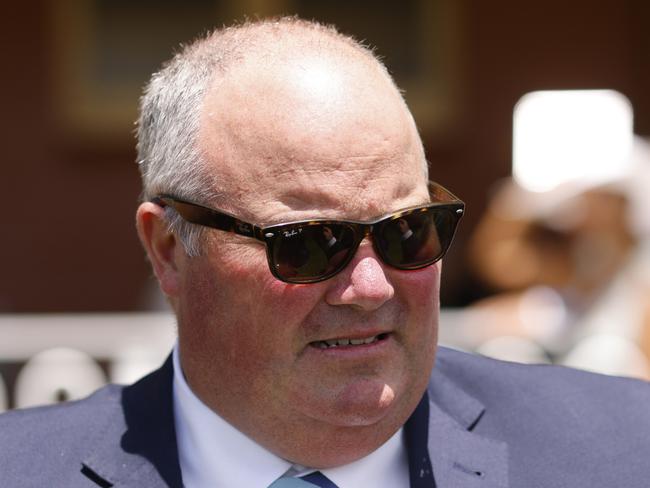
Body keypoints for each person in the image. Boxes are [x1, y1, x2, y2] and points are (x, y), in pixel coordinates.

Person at [1, 17, 650, 488]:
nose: (370, 286)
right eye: (310, 246)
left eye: (407, 233)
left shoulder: (621, 448)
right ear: (170, 249)